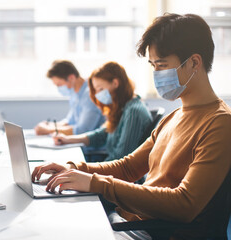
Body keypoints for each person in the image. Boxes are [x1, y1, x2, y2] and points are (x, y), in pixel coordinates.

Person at [32, 13, 231, 239]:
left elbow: (185, 205)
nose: (156, 74)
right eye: (153, 65)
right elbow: (128, 168)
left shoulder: (220, 123)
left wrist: (96, 183)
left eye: (162, 65)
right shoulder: (174, 116)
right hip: (130, 222)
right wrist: (74, 169)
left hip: (155, 233)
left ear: (194, 62)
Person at [53, 61, 152, 162]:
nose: (97, 95)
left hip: (118, 174)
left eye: (100, 89)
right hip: (110, 169)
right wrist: (68, 140)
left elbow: (121, 159)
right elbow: (102, 135)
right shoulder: (122, 108)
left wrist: (83, 170)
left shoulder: (133, 112)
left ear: (115, 83)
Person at [34, 60, 104, 135]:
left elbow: (82, 130)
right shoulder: (75, 94)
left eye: (59, 85)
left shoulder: (90, 95)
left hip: (91, 145)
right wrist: (50, 125)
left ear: (71, 78)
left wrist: (48, 130)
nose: (59, 88)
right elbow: (70, 121)